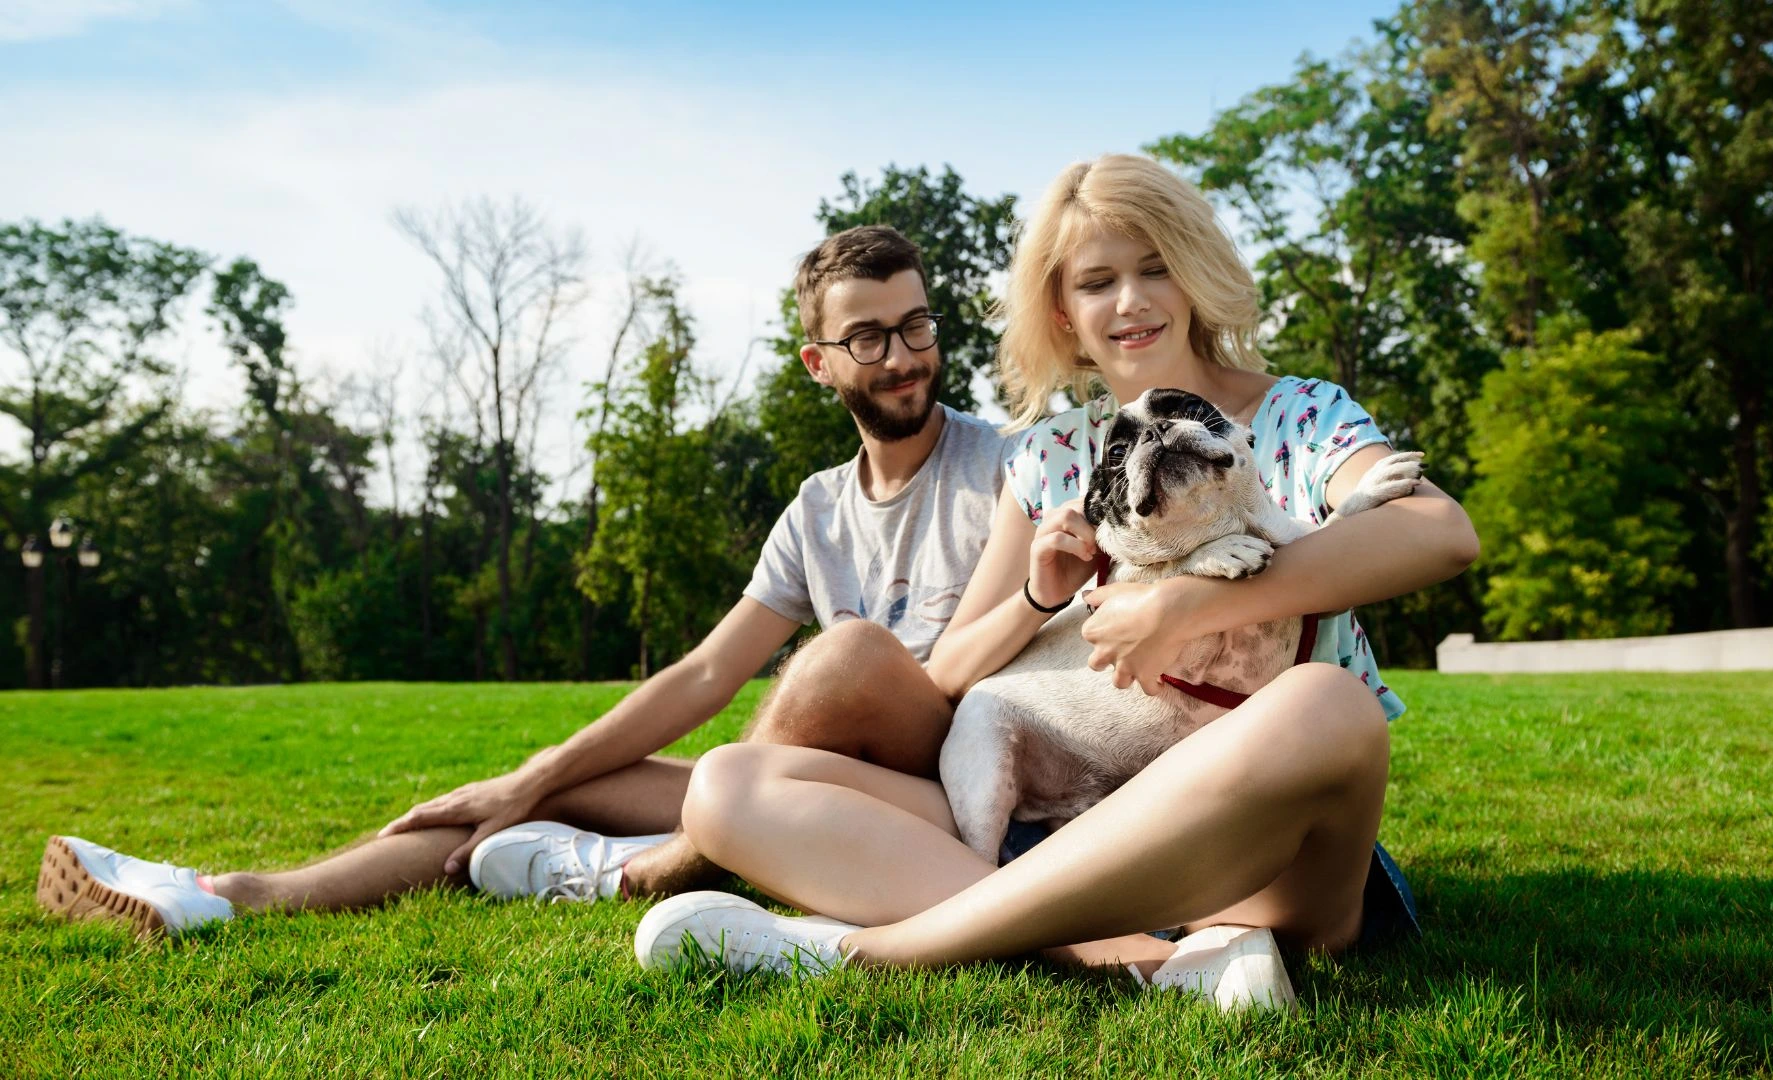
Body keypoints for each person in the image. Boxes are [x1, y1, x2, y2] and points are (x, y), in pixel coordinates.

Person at [629, 155, 1481, 1010]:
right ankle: (1133, 953)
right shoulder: (1045, 457)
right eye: (1097, 281)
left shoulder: (1301, 413)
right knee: (730, 783)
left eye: (1156, 267)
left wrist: (1187, 602)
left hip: (1254, 849)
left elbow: (1439, 534)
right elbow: (950, 673)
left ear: (1194, 275)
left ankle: (871, 951)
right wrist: (1040, 596)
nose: (1131, 301)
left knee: (1324, 704)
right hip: (1059, 826)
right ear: (1062, 313)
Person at [35, 225, 1011, 935]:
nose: (904, 359)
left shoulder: (1005, 465)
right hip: (798, 787)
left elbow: (964, 677)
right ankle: (224, 894)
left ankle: (686, 856)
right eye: (871, 338)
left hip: (936, 799)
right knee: (530, 802)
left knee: (843, 659)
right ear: (817, 362)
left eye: (916, 326)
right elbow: (708, 675)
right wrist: (536, 776)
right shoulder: (817, 508)